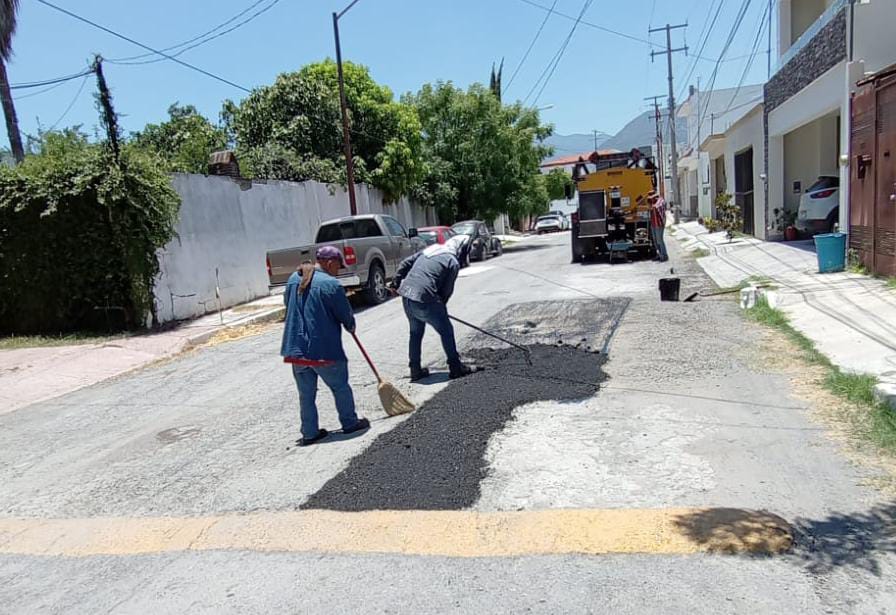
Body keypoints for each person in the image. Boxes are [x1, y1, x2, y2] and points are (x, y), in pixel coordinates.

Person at [281, 246, 369, 446]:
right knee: (340, 386)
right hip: (323, 349)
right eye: (338, 266)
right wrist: (350, 325)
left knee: (306, 394)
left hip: (296, 349)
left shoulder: (294, 278)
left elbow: (288, 303)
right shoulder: (331, 284)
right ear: (330, 263)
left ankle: (309, 433)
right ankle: (350, 422)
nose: (338, 271)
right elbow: (344, 314)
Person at [391, 235, 477, 381]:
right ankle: (456, 367)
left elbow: (405, 263)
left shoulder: (430, 250)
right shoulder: (452, 261)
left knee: (415, 333)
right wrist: (440, 309)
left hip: (407, 297)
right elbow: (446, 291)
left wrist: (396, 282)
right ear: (461, 249)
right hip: (424, 299)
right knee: (446, 331)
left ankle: (415, 370)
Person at [648, 191, 669, 262]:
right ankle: (659, 255)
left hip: (659, 224)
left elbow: (658, 206)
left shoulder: (660, 201)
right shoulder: (651, 202)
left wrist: (652, 206)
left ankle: (664, 255)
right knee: (655, 241)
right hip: (653, 224)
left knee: (659, 240)